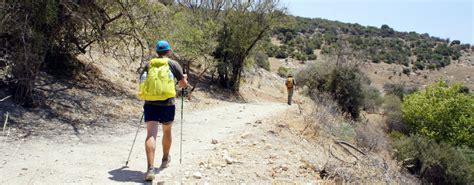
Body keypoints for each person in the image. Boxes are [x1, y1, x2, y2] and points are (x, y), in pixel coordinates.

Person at [139, 40, 188, 181]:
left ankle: (150, 169)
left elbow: (141, 81)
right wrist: (184, 79)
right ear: (168, 51)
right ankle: (165, 159)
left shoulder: (149, 64)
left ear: (157, 52)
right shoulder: (173, 64)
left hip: (150, 102)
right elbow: (183, 85)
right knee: (167, 131)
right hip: (168, 103)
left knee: (151, 134)